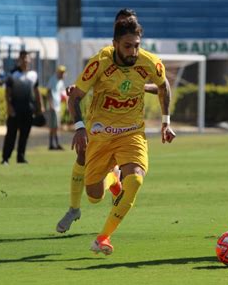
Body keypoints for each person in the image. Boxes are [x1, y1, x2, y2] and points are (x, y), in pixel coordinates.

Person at [67, 17, 175, 255]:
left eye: (137, 45)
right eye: (128, 46)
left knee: (135, 180)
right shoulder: (99, 63)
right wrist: (79, 127)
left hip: (132, 133)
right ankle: (112, 180)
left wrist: (166, 123)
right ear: (115, 43)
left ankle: (103, 237)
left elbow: (164, 85)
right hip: (100, 135)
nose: (133, 51)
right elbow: (75, 96)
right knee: (94, 195)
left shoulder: (150, 63)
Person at [55, 8, 161, 233]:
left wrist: (143, 88)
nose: (132, 49)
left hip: (127, 129)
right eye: (121, 23)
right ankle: (75, 207)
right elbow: (90, 85)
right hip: (99, 123)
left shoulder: (142, 60)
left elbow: (155, 84)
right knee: (85, 166)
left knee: (133, 176)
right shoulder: (104, 58)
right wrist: (78, 96)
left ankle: (106, 226)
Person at [1, 50, 43, 165]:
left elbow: (36, 91)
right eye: (23, 58)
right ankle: (5, 158)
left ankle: (21, 157)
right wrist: (9, 107)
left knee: (24, 135)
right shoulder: (13, 74)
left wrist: (40, 107)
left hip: (28, 110)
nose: (25, 60)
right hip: (15, 110)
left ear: (29, 60)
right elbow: (7, 92)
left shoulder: (33, 75)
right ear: (19, 60)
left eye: (27, 58)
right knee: (11, 134)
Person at [46, 65, 67, 150]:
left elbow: (63, 93)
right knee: (56, 126)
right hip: (53, 107)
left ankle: (52, 145)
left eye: (63, 72)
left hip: (57, 106)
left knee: (54, 127)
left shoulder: (61, 82)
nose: (63, 74)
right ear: (58, 72)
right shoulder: (53, 79)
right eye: (61, 72)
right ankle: (56, 144)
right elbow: (48, 92)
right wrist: (51, 104)